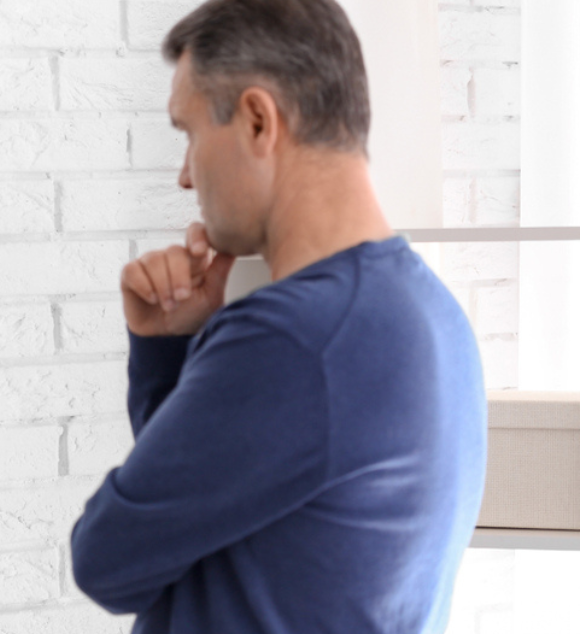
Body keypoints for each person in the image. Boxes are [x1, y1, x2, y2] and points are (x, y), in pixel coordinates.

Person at [70, 1, 487, 633]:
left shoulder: (293, 338)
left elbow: (107, 560)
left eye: (188, 133)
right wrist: (170, 349)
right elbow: (193, 517)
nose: (185, 176)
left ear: (259, 121)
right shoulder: (433, 311)